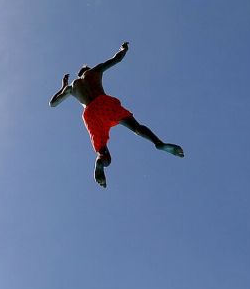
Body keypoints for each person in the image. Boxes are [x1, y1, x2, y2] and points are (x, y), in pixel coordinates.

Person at [49, 42, 184, 188]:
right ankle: (159, 143)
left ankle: (100, 160)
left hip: (90, 114)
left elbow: (53, 103)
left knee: (103, 153)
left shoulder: (71, 88)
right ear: (87, 70)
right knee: (137, 128)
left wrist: (63, 86)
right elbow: (117, 58)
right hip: (104, 104)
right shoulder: (95, 72)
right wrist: (123, 49)